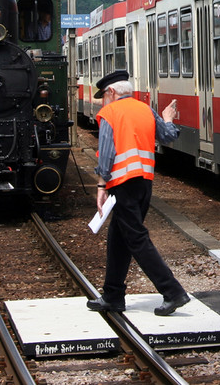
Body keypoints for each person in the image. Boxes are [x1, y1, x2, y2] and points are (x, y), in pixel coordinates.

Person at [86, 69, 190, 317]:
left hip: (122, 183)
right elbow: (168, 136)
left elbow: (107, 153)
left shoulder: (109, 113)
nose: (103, 100)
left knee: (136, 239)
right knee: (118, 237)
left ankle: (173, 291)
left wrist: (101, 186)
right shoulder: (145, 109)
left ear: (111, 92)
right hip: (144, 183)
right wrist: (167, 117)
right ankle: (113, 295)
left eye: (104, 95)